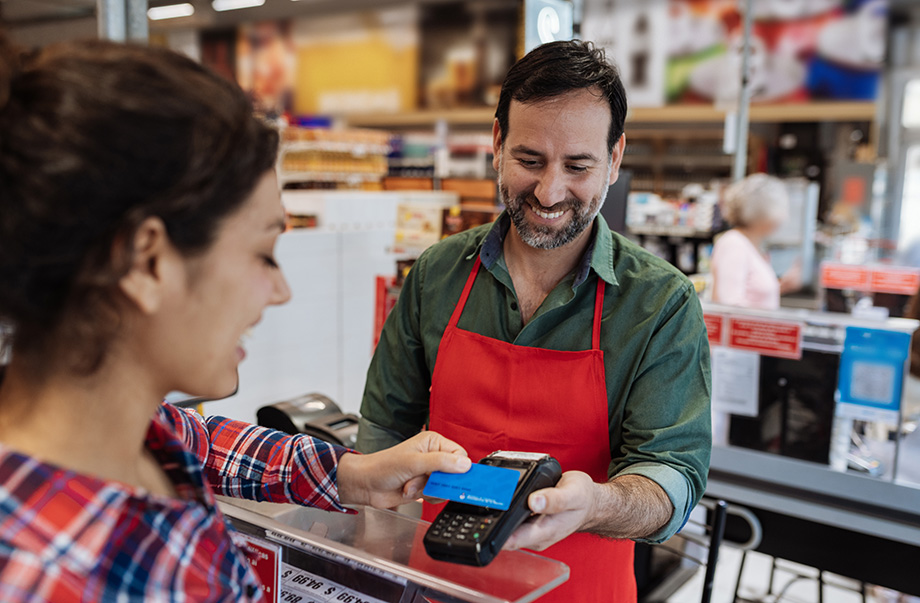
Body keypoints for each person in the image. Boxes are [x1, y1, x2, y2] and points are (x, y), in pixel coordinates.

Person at [0, 36, 471, 602]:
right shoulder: (43, 579)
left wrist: (355, 474)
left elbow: (199, 440)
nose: (280, 291)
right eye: (263, 254)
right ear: (147, 262)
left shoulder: (125, 432)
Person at [358, 41, 711, 603]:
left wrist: (596, 504)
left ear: (614, 160)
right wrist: (374, 563)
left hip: (582, 589)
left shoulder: (660, 303)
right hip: (436, 583)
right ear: (497, 143)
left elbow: (671, 475)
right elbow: (382, 428)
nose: (550, 191)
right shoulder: (437, 274)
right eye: (529, 160)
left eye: (578, 166)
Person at [711, 173, 801, 310]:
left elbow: (751, 294)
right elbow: (728, 305)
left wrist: (780, 287)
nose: (785, 217)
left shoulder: (750, 244)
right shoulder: (733, 244)